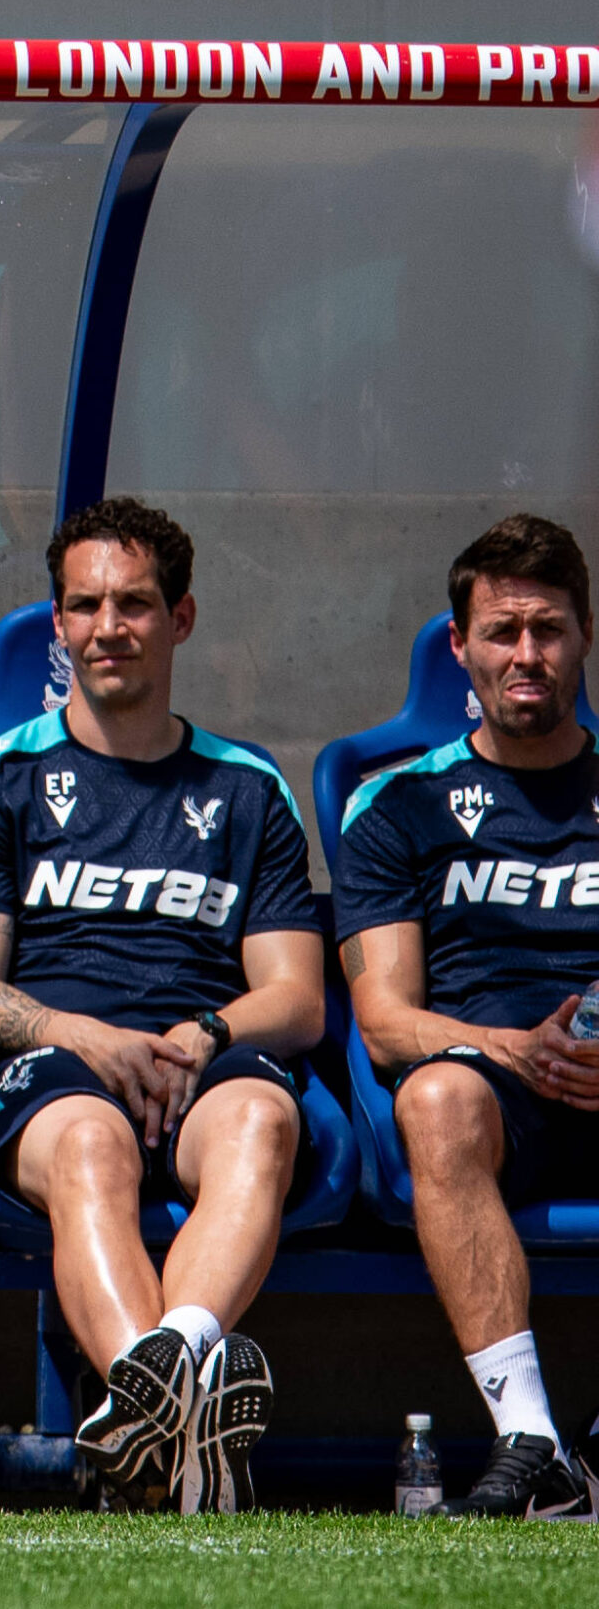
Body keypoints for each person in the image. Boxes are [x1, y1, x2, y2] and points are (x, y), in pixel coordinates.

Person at [0, 497, 325, 1516]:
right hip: (55, 1066)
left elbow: (296, 996)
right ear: (55, 623)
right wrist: (83, 1035)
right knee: (94, 1145)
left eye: (134, 604)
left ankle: (158, 1390)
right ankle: (180, 1421)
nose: (108, 626)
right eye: (84, 605)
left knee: (263, 1117)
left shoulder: (246, 788)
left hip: (203, 1057)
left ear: (180, 618)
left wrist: (207, 1031)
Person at [334, 514, 599, 1519]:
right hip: (498, 1095)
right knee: (436, 1093)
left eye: (548, 629)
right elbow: (385, 1018)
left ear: (583, 635)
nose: (525, 654)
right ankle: (531, 1440)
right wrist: (515, 1052)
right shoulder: (397, 804)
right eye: (501, 631)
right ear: (460, 645)